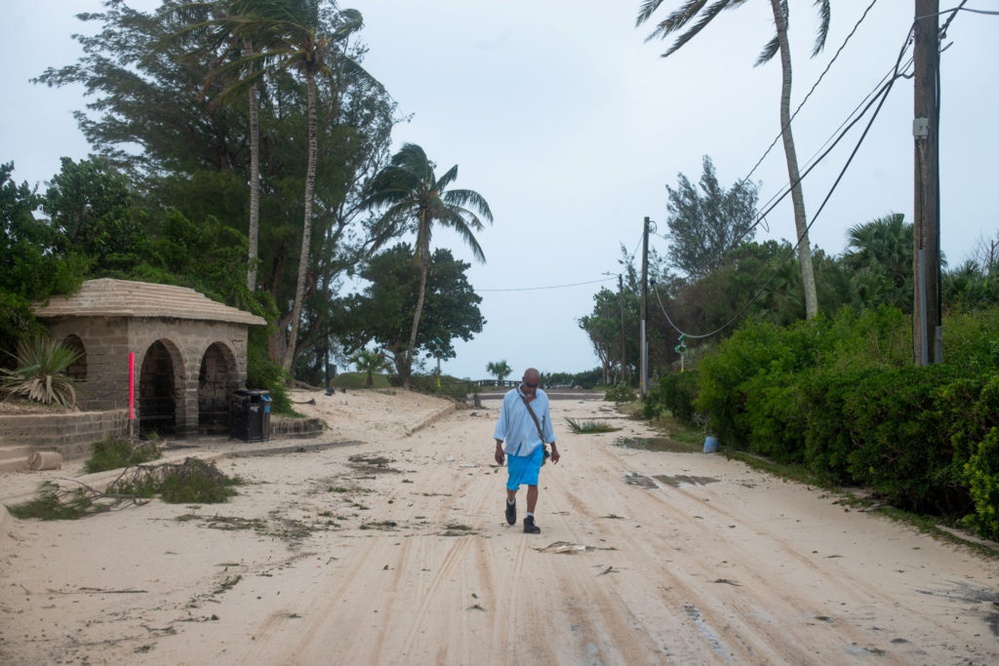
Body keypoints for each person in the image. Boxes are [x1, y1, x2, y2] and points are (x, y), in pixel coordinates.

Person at [493, 368, 560, 534]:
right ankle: (510, 502)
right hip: (515, 448)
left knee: (533, 481)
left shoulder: (543, 397)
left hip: (535, 447)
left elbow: (547, 424)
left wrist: (554, 448)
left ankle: (529, 519)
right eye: (529, 385)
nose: (532, 389)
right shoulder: (510, 397)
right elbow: (503, 422)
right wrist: (498, 447)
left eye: (535, 386)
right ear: (523, 379)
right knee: (512, 485)